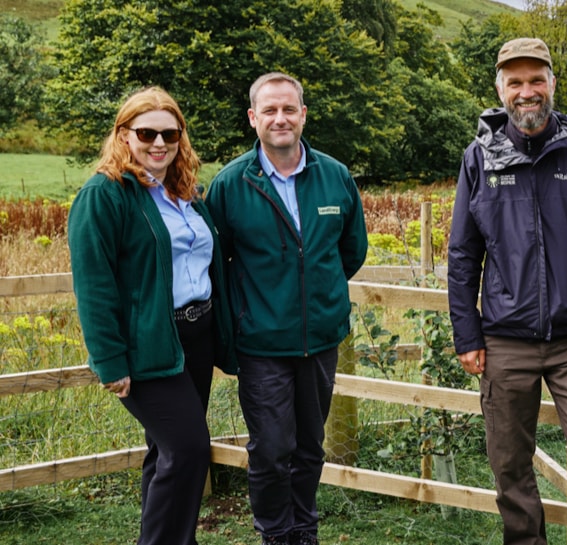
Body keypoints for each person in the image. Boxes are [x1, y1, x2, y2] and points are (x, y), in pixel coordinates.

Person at [447, 38, 567, 545]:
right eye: (516, 82)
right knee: (510, 468)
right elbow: (463, 255)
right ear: (500, 88)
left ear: (553, 83)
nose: (526, 92)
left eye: (536, 80)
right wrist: (468, 335)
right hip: (505, 341)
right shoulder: (479, 159)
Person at [67, 86, 236, 545]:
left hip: (195, 338)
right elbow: (94, 284)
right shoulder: (104, 196)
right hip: (149, 345)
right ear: (123, 135)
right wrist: (110, 359)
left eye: (170, 133)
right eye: (146, 132)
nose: (158, 143)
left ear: (181, 138)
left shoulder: (183, 192)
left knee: (166, 453)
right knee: (188, 450)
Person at [205, 72, 368, 545]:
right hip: (262, 344)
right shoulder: (232, 185)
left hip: (319, 341)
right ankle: (276, 534)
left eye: (289, 109)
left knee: (310, 447)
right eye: (270, 110)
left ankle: (305, 529)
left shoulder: (334, 176)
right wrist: (247, 317)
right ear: (254, 118)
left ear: (303, 114)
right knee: (272, 450)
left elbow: (350, 252)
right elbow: (218, 264)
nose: (281, 118)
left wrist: (319, 297)